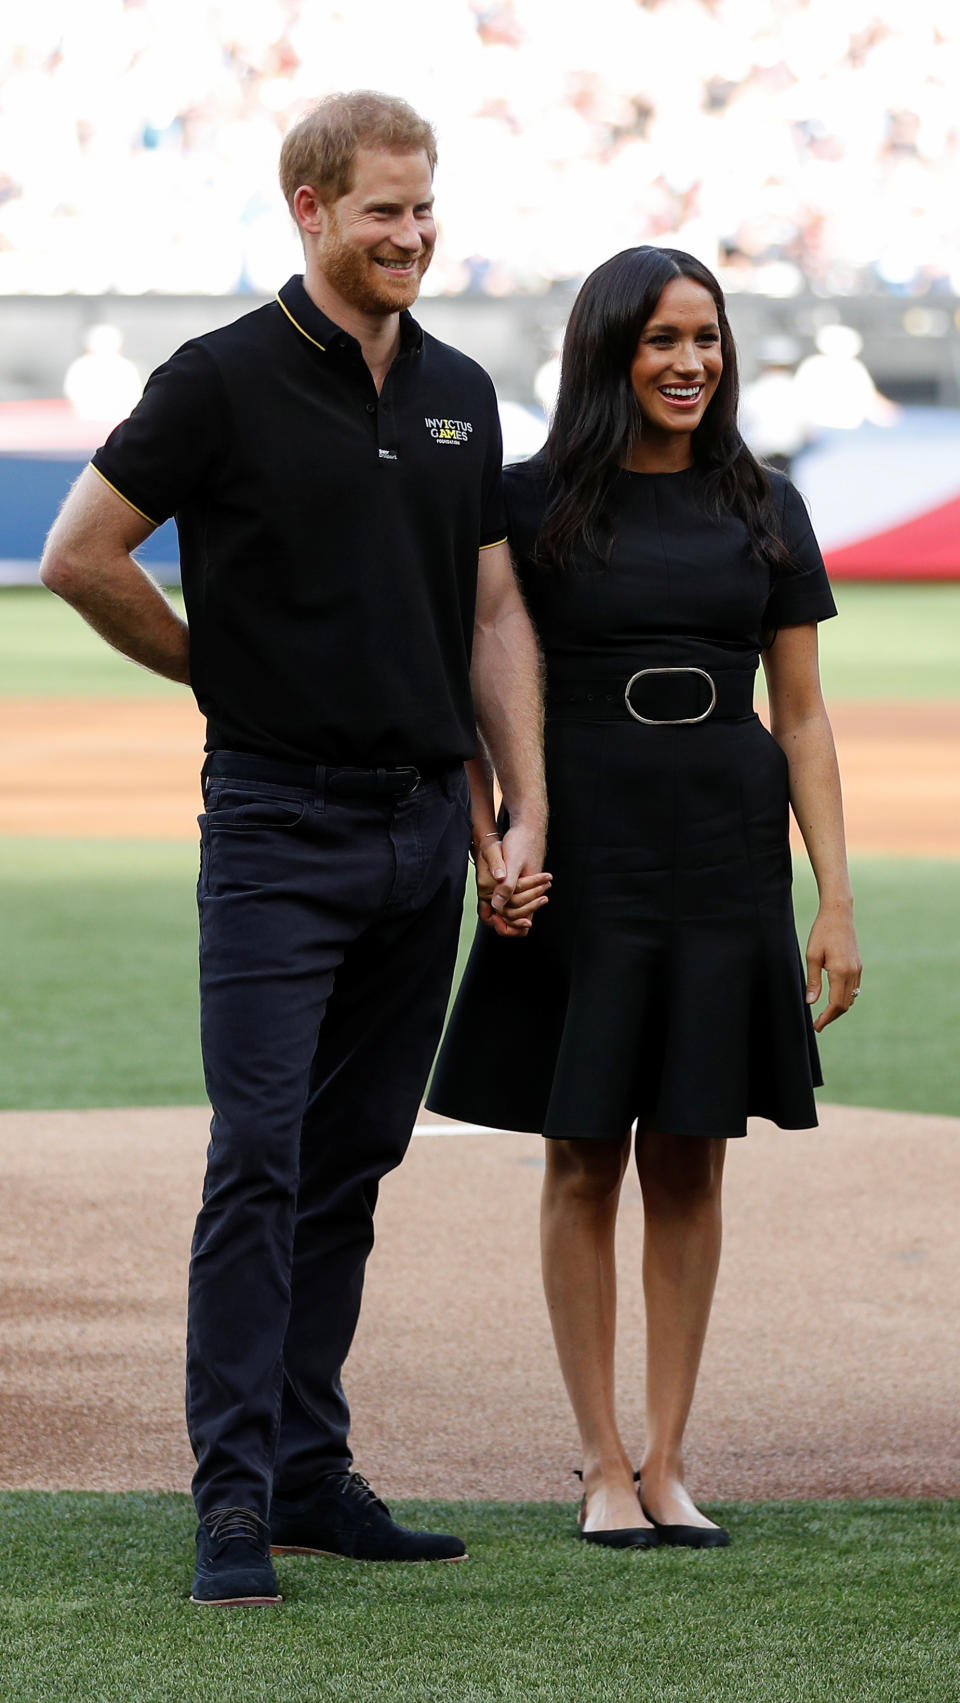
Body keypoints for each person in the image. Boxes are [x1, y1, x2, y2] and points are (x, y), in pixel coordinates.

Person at [39, 90, 546, 1606]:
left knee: (353, 1162)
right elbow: (78, 553)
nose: (412, 232)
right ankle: (233, 1498)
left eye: (424, 204)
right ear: (309, 211)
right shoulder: (220, 380)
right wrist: (221, 669)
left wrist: (524, 800)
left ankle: (312, 1471)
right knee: (259, 1157)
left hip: (420, 834)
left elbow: (496, 608)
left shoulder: (461, 390)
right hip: (275, 827)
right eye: (383, 208)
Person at [429, 245, 862, 1549]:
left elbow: (801, 714)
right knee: (581, 1155)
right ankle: (600, 1460)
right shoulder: (523, 499)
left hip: (726, 845)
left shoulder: (766, 503)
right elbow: (468, 689)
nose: (691, 363)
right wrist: (489, 841)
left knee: (692, 1150)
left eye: (709, 339)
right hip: (590, 841)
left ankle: (670, 1458)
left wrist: (834, 897)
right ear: (610, 349)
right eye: (665, 339)